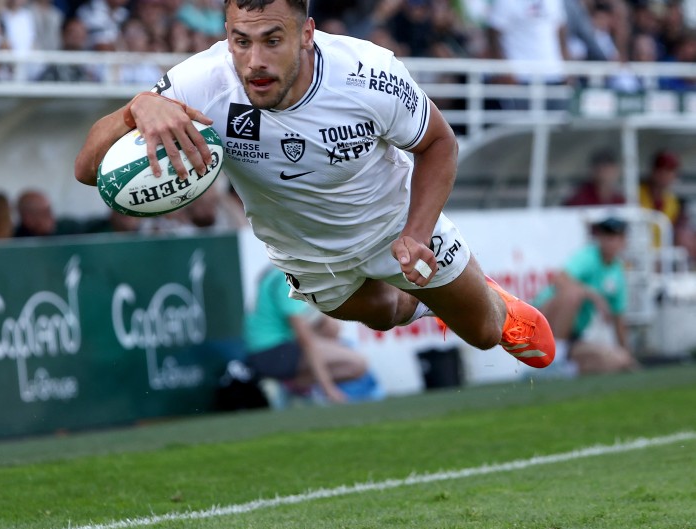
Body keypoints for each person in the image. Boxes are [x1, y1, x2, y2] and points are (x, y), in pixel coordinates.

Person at [74, 0, 557, 371]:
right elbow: (86, 168)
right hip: (304, 252)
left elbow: (439, 144)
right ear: (226, 34)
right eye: (241, 41)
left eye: (272, 40)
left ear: (307, 34)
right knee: (385, 314)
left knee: (484, 331)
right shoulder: (200, 82)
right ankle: (428, 304)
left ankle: (493, 301)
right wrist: (136, 108)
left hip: (395, 224)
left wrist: (417, 231)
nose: (254, 61)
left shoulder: (368, 75)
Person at [244, 266, 369, 404]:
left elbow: (326, 327)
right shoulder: (285, 278)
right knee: (357, 364)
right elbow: (306, 341)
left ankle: (296, 385)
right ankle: (294, 386)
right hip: (271, 353)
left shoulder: (279, 272)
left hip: (266, 351)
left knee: (330, 328)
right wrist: (329, 390)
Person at [533, 217, 639, 376]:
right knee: (574, 293)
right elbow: (559, 280)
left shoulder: (617, 271)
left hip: (572, 336)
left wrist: (628, 355)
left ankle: (562, 368)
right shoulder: (588, 256)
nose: (609, 242)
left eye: (614, 237)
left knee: (618, 360)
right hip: (542, 322)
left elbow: (619, 319)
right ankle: (552, 360)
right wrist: (593, 295)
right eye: (606, 236)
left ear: (623, 241)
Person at [639, 149, 696, 263]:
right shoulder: (636, 195)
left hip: (664, 259)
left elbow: (677, 232)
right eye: (662, 169)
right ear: (654, 171)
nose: (666, 175)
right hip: (640, 257)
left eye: (671, 170)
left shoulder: (672, 201)